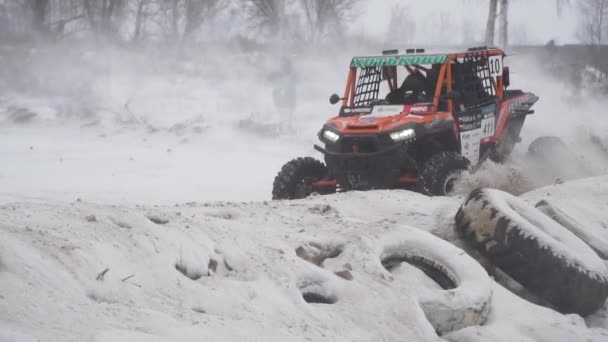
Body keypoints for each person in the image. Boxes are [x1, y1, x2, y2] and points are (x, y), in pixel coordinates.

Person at [271, 54, 298, 132]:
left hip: (288, 95)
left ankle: (287, 126)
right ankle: (285, 127)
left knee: (288, 112)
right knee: (284, 112)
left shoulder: (290, 72)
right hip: (283, 95)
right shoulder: (284, 72)